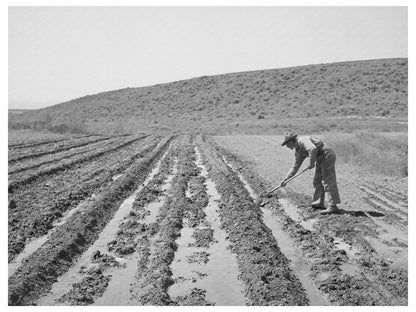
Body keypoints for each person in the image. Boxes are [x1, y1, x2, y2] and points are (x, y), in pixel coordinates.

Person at [280, 132, 341, 214]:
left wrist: (311, 163)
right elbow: (295, 166)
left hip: (327, 155)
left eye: (286, 144)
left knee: (327, 181)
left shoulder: (302, 140)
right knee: (317, 181)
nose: (287, 146)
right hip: (320, 159)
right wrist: (285, 179)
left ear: (291, 141)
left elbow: (313, 149)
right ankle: (318, 204)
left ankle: (333, 206)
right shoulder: (298, 151)